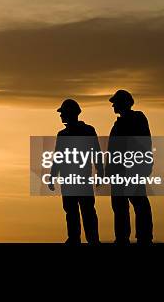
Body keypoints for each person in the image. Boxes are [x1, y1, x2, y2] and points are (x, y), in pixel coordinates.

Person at [48, 99, 104, 244]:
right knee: (71, 210)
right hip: (68, 180)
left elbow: (96, 153)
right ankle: (75, 238)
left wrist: (100, 172)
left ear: (70, 114)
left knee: (87, 211)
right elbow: (58, 157)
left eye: (63, 113)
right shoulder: (63, 134)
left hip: (82, 179)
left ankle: (92, 239)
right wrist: (52, 175)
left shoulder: (87, 131)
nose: (61, 116)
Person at [107, 90, 154, 245]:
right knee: (119, 205)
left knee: (139, 203)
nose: (113, 105)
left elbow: (144, 143)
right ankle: (122, 238)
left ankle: (144, 237)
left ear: (124, 103)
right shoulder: (118, 124)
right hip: (119, 171)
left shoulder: (137, 118)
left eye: (116, 102)